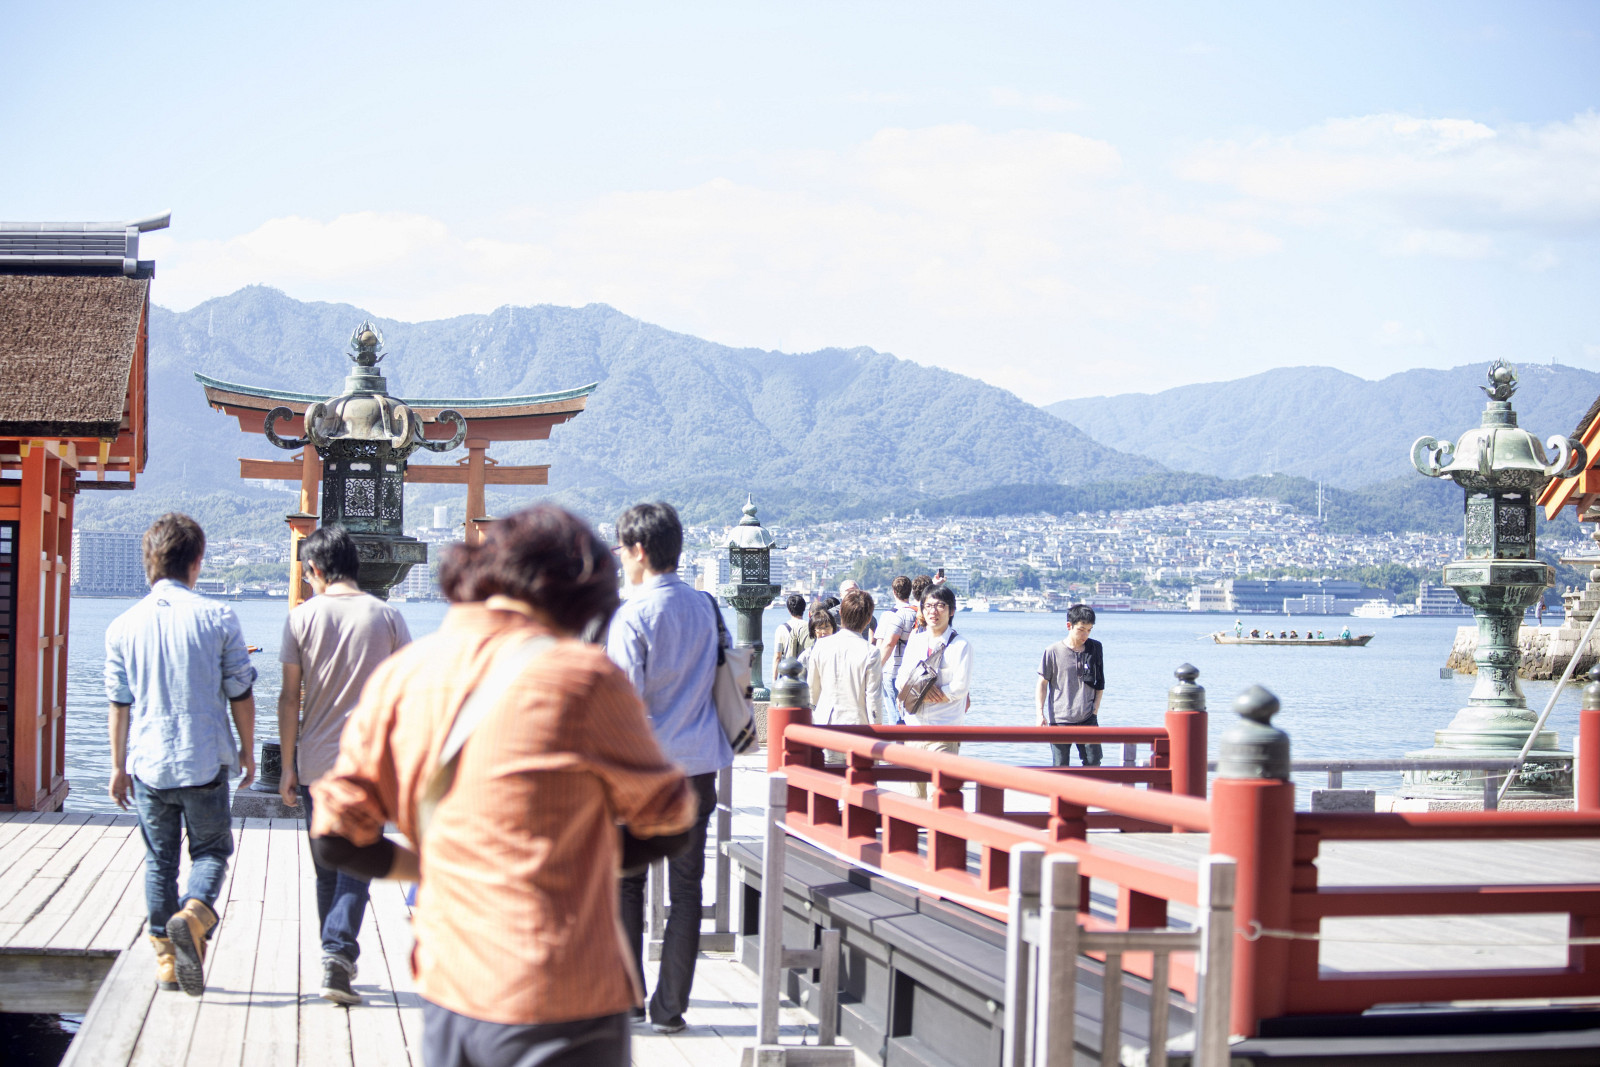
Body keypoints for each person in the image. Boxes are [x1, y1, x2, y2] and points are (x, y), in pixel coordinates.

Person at [310, 504, 695, 1067]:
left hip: (449, 983)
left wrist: (430, 864)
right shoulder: (583, 679)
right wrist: (579, 855)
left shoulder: (403, 676)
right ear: (579, 597)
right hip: (563, 991)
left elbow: (335, 835)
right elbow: (672, 819)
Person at [104, 513, 257, 996]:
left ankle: (167, 962)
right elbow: (240, 691)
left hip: (148, 763)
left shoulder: (122, 626)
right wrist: (248, 750)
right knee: (211, 851)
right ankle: (194, 915)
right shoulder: (219, 617)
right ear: (197, 562)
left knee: (159, 861)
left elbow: (119, 702)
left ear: (149, 562)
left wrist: (117, 766)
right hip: (204, 759)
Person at [605, 501, 733, 1036]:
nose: (619, 556)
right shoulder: (706, 606)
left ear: (638, 551)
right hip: (698, 767)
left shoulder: (631, 615)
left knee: (627, 885)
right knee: (686, 890)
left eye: (621, 548)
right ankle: (670, 1008)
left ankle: (628, 999)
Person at [277, 525, 412, 1005]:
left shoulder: (301, 618)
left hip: (315, 761)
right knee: (358, 862)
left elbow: (289, 697)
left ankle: (333, 955)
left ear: (315, 569)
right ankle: (336, 953)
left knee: (328, 865)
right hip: (370, 762)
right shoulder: (387, 616)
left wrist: (287, 766)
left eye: (306, 574)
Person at [894, 585, 973, 799]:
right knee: (915, 796)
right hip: (915, 727)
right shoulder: (916, 640)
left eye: (940, 605)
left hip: (945, 729)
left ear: (952, 611)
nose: (933, 611)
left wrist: (930, 693)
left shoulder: (961, 645)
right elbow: (901, 678)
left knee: (939, 795)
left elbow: (960, 686)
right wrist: (921, 691)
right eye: (928, 606)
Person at [1035, 605, 1105, 767]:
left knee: (1094, 764)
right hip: (1060, 719)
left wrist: (1095, 709)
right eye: (1081, 630)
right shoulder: (1052, 651)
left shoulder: (1095, 648)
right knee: (1060, 767)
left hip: (1087, 717)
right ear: (1069, 626)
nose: (1085, 635)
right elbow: (1042, 684)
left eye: (1089, 630)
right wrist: (1040, 713)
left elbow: (1100, 682)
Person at [808, 589, 884, 730]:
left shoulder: (821, 645)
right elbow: (873, 697)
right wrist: (877, 727)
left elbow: (813, 691)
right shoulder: (871, 652)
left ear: (841, 613)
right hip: (856, 724)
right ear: (868, 620)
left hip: (824, 721)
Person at [877, 576, 918, 709]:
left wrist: (876, 668)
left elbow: (882, 644)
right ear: (910, 591)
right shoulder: (917, 613)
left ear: (893, 592)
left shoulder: (888, 615)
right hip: (912, 672)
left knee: (895, 714)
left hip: (892, 670)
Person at [773, 594, 808, 664]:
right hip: (806, 668)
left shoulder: (781, 629)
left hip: (789, 668)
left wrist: (774, 671)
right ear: (804, 608)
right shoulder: (811, 627)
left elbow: (777, 656)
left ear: (789, 610)